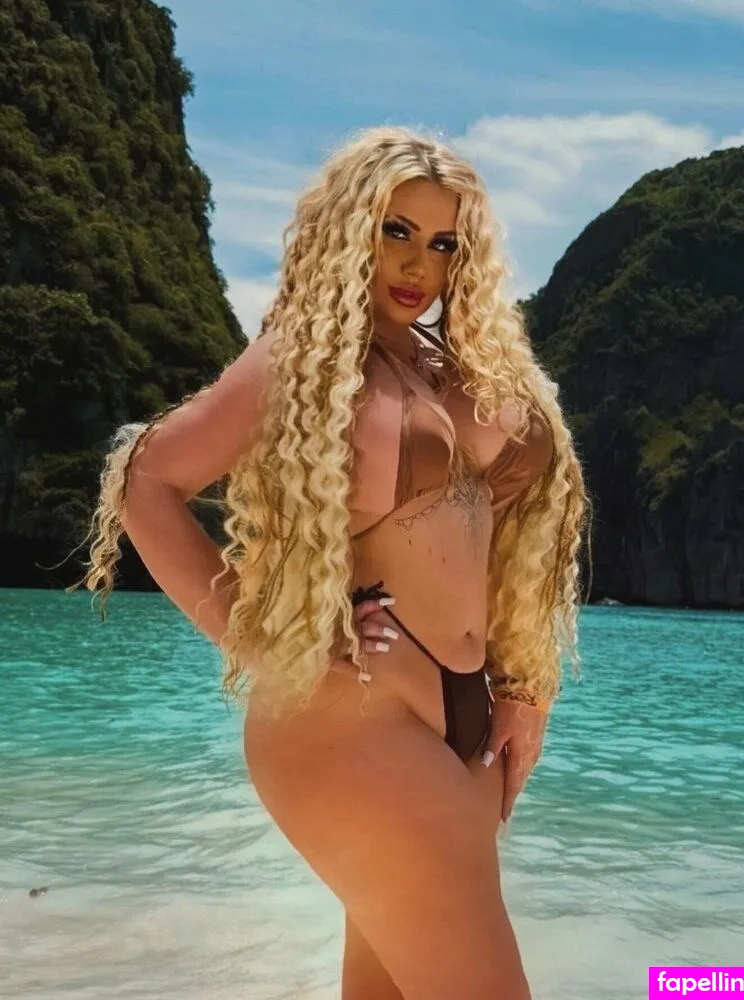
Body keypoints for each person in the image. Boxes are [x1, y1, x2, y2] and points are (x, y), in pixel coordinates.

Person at [71, 125, 589, 1000]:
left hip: (463, 726)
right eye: (396, 230)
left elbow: (513, 545)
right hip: (353, 726)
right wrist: (262, 640)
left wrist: (524, 692)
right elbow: (146, 479)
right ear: (350, 228)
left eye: (443, 243)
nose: (418, 264)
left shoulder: (458, 366)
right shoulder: (303, 361)